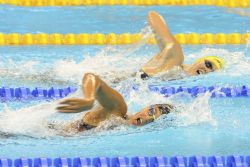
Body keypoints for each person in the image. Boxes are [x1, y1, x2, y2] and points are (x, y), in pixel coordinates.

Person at [56, 73, 174, 133]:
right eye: (151, 111)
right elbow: (91, 77)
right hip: (53, 133)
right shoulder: (119, 108)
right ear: (146, 107)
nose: (147, 117)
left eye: (152, 119)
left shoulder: (121, 126)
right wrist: (88, 99)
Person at [139, 11, 224, 79]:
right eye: (208, 64)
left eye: (211, 71)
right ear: (199, 60)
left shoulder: (182, 77)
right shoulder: (176, 59)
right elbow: (152, 15)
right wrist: (168, 42)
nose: (207, 70)